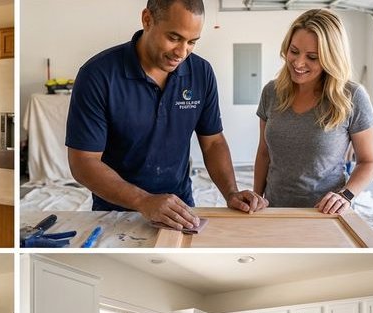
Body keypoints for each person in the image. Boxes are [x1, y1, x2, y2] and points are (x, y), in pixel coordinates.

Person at [66, 0, 267, 231]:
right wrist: (143, 200)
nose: (182, 53)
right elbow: (83, 162)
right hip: (115, 213)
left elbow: (213, 142)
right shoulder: (98, 75)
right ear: (147, 19)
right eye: (174, 38)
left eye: (192, 42)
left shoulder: (201, 73)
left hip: (179, 206)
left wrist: (230, 192)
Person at [253, 9, 373, 214]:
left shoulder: (352, 96)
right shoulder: (271, 92)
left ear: (332, 58)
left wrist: (345, 195)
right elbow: (263, 152)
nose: (299, 63)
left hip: (325, 215)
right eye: (294, 51)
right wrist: (257, 197)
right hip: (274, 211)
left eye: (312, 57)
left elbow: (368, 161)